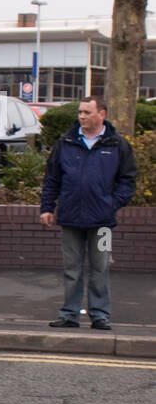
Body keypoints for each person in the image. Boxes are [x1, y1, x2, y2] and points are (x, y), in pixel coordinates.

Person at [40, 95, 138, 330]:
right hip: (71, 217)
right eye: (80, 112)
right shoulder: (66, 143)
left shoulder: (117, 145)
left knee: (100, 268)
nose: (82, 116)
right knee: (72, 269)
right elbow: (52, 178)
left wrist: (112, 204)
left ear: (101, 114)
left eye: (87, 112)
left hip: (103, 221)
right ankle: (69, 314)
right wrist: (47, 207)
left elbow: (128, 179)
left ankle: (100, 314)